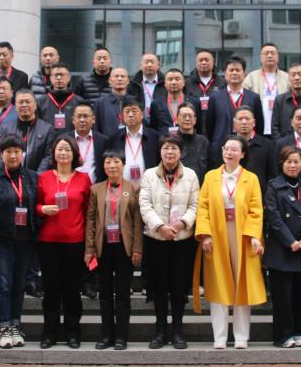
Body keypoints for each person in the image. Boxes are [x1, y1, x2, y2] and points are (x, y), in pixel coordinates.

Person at [193, 135, 265, 349]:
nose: (229, 152)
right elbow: (203, 207)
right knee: (218, 284)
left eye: (234, 149)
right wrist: (205, 234)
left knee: (242, 284)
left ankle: (241, 336)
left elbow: (256, 210)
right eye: (226, 148)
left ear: (242, 154)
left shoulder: (251, 178)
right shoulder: (211, 177)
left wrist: (254, 236)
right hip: (217, 233)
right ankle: (220, 337)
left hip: (242, 235)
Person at [139, 135, 200, 349]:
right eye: (166, 148)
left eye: (174, 148)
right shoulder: (149, 175)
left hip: (181, 241)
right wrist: (160, 227)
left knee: (178, 287)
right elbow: (144, 204)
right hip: (156, 240)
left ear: (180, 152)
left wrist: (181, 224)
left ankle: (177, 331)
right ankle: (160, 331)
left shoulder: (191, 175)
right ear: (160, 152)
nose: (170, 152)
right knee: (158, 287)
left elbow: (195, 205)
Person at [36, 136, 93, 348]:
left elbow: (88, 212)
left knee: (72, 290)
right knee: (51, 290)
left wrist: (88, 245)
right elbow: (35, 206)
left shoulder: (84, 179)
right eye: (59, 149)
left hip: (74, 241)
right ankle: (49, 333)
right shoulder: (44, 178)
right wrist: (43, 209)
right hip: (48, 241)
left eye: (67, 149)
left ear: (74, 154)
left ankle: (72, 332)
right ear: (53, 153)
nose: (63, 153)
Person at [0, 138, 39, 348]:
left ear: (22, 154)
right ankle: (4, 327)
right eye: (9, 152)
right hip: (3, 241)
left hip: (26, 241)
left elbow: (36, 205)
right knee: (4, 286)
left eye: (17, 151)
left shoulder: (31, 177)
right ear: (2, 155)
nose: (13, 155)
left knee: (19, 285)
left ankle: (16, 325)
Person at [85, 150, 143, 350]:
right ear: (103, 167)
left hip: (124, 246)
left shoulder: (133, 188)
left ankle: (121, 336)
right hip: (103, 247)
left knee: (123, 294)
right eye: (108, 162)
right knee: (105, 294)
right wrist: (89, 249)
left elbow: (137, 221)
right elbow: (91, 220)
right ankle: (106, 335)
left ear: (123, 165)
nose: (112, 166)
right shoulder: (96, 189)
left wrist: (137, 248)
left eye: (116, 161)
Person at [264, 146, 301, 348]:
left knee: (300, 295)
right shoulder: (273, 187)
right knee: (282, 296)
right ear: (281, 163)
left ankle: (300, 331)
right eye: (289, 162)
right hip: (281, 249)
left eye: (296, 162)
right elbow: (274, 218)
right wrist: (290, 241)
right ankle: (283, 335)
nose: (293, 165)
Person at [208, 57, 264, 156]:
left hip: (248, 149)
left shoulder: (254, 97)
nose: (234, 73)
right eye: (231, 70)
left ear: (244, 74)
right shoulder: (215, 97)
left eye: (238, 70)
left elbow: (259, 125)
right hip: (222, 149)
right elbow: (209, 126)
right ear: (225, 74)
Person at [101, 99, 160, 184]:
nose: (131, 115)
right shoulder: (114, 138)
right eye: (127, 112)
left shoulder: (154, 137)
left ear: (142, 115)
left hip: (149, 186)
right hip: (122, 187)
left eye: (134, 111)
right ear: (122, 116)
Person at [0, 89, 57, 172]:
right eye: (21, 102)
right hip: (10, 177)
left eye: (28, 102)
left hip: (37, 176)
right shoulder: (5, 128)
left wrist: (37, 176)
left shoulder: (47, 129)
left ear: (35, 105)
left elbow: (49, 156)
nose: (24, 105)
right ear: (15, 106)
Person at [243, 43, 289, 135]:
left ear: (278, 57)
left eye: (273, 53)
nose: (269, 56)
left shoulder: (287, 77)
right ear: (260, 57)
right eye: (266, 53)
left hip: (281, 130)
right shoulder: (251, 77)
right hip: (258, 129)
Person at [149, 68, 201, 135]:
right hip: (165, 140)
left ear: (183, 83)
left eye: (177, 79)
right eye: (170, 79)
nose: (174, 82)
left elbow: (199, 127)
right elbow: (153, 129)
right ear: (165, 84)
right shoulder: (156, 104)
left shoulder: (195, 102)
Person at [36, 63, 83, 136]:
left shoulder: (79, 101)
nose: (58, 78)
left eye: (62, 75)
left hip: (72, 141)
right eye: (56, 75)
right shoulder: (41, 102)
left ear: (69, 78)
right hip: (48, 141)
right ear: (50, 78)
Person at [93, 67, 140, 137]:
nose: (119, 79)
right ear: (110, 80)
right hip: (108, 142)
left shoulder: (135, 101)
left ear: (128, 81)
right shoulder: (100, 103)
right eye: (116, 76)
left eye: (122, 76)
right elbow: (96, 128)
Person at [0, 41, 30, 107]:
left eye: (4, 55)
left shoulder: (22, 77)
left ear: (12, 56)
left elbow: (23, 98)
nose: (1, 58)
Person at [70, 102, 107, 183]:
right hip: (71, 188)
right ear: (73, 120)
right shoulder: (65, 140)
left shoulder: (103, 141)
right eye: (79, 116)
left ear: (93, 119)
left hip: (95, 187)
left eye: (85, 116)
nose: (82, 120)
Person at [174, 103, 209, 178]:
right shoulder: (172, 142)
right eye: (184, 116)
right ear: (177, 119)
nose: (187, 119)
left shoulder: (203, 142)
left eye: (190, 116)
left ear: (195, 120)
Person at [133, 53, 165, 127]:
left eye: (152, 62)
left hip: (161, 121)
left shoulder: (165, 83)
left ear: (158, 66)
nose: (149, 65)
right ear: (140, 66)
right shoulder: (133, 84)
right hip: (140, 122)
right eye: (146, 62)